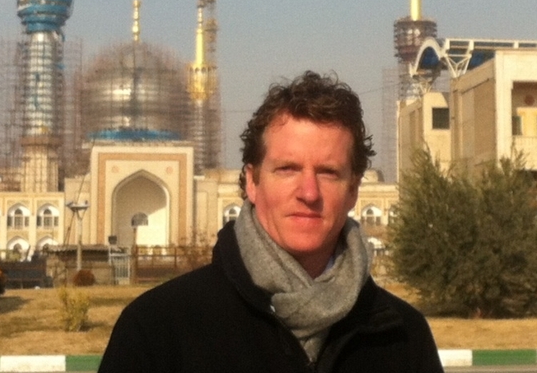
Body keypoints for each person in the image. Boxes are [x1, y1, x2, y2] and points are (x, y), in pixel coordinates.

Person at [98, 71, 445, 372]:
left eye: (328, 172)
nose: (309, 192)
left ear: (353, 190)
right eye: (287, 169)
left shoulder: (398, 335)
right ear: (252, 181)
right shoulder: (161, 329)